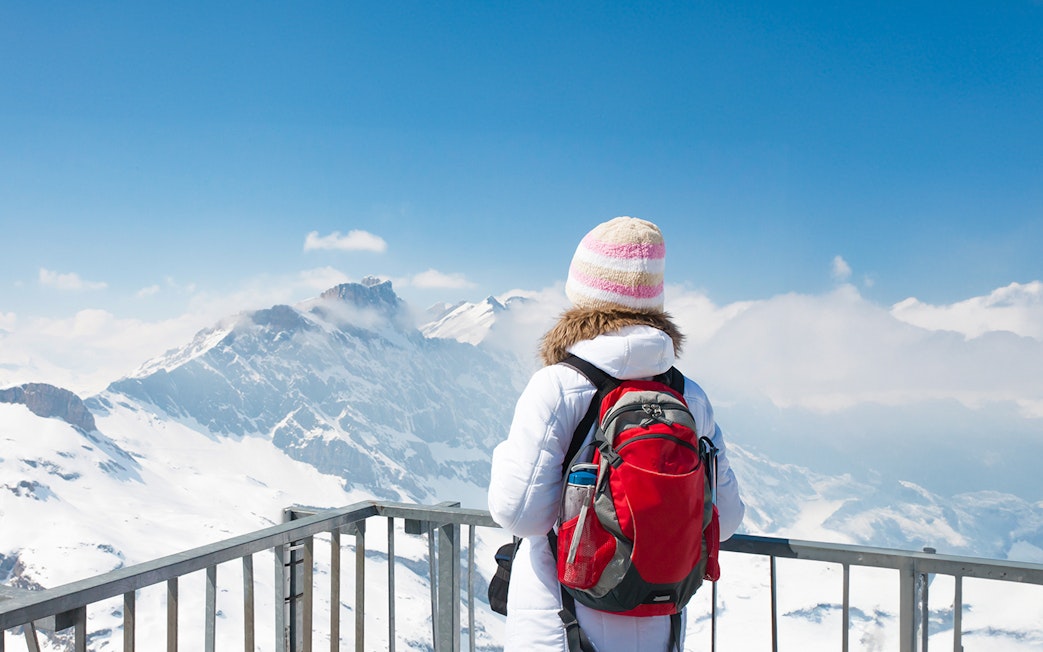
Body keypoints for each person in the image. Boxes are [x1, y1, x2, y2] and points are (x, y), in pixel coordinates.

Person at [488, 216, 745, 652]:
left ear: (581, 292)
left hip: (562, 621)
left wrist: (503, 455)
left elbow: (520, 513)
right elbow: (728, 518)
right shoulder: (687, 395)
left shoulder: (558, 385)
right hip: (657, 617)